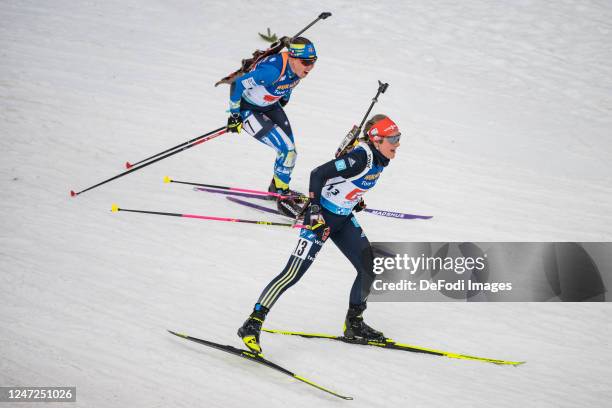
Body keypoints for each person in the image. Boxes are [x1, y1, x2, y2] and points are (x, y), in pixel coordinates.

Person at [237, 114, 402, 354]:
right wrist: (314, 212)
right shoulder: (360, 157)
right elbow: (317, 174)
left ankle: (354, 325)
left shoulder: (380, 157)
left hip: (342, 218)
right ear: (376, 140)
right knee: (292, 274)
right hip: (321, 219)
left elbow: (345, 183)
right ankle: (252, 323)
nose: (397, 144)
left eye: (399, 138)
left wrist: (355, 198)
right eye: (393, 139)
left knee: (369, 266)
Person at [226, 37, 317, 218]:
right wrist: (235, 115)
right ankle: (282, 199)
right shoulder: (271, 71)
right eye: (305, 62)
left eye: (313, 62)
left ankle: (277, 187)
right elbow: (237, 84)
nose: (309, 67)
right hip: (249, 110)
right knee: (287, 150)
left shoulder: (298, 69)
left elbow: (288, 83)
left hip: (270, 107)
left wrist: (284, 96)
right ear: (292, 58)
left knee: (291, 151)